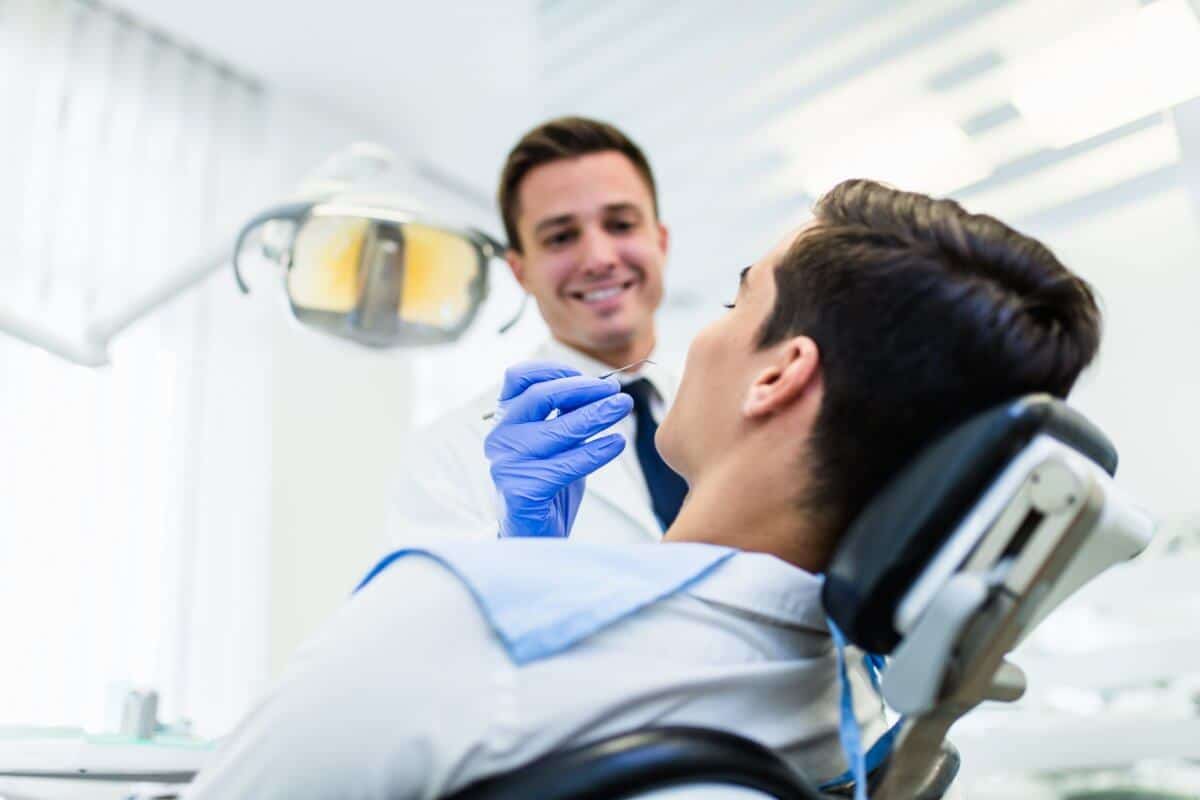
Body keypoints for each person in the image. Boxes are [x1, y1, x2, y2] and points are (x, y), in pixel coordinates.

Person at [186, 180, 1102, 799]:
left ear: (778, 377)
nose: (703, 336)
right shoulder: (850, 717)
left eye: (736, 302)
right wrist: (530, 561)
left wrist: (506, 589)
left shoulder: (454, 616)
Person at [386, 116, 686, 545]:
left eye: (621, 225)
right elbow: (437, 608)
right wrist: (519, 548)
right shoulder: (451, 455)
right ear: (520, 271)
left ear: (660, 241)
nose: (598, 258)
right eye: (561, 237)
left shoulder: (742, 406)